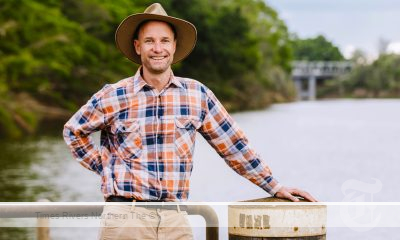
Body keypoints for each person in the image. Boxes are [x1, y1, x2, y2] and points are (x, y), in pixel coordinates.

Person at [63, 3, 317, 240]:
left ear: (174, 46)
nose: (158, 48)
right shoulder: (114, 94)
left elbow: (233, 145)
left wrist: (274, 186)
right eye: (150, 41)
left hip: (176, 217)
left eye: (164, 41)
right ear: (138, 46)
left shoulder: (197, 95)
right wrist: (107, 168)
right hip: (126, 217)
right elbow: (74, 131)